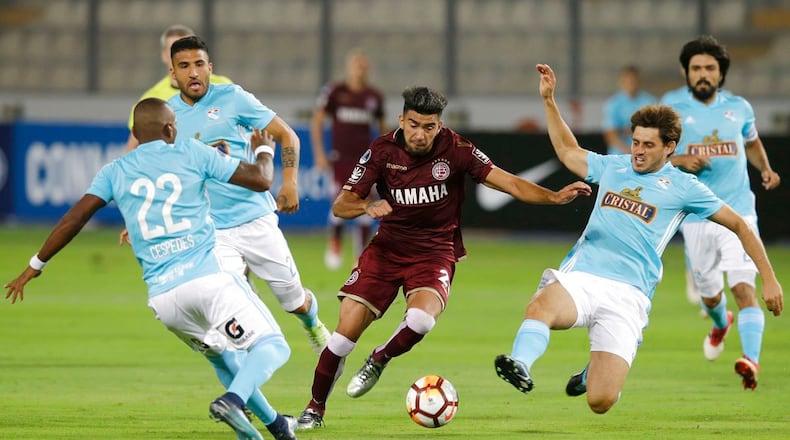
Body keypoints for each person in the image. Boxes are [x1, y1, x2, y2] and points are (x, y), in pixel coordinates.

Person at [296, 85, 593, 430]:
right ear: (401, 120)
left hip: (435, 252)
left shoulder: (456, 148)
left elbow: (507, 182)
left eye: (429, 127)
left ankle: (379, 358)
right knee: (341, 339)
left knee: (422, 320)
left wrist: (554, 197)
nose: (420, 134)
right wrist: (366, 205)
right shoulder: (381, 150)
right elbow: (341, 205)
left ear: (439, 125)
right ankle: (314, 409)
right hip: (387, 250)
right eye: (413, 124)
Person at [494, 64, 783, 414]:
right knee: (541, 307)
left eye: (648, 144)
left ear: (670, 147)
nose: (638, 151)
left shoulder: (685, 188)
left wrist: (768, 278)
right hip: (584, 275)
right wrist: (549, 100)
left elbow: (739, 225)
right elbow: (569, 152)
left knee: (600, 401)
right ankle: (521, 363)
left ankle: (593, 373)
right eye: (635, 142)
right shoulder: (615, 166)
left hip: (630, 294)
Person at [4, 98, 298, 440]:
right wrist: (263, 151)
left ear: (134, 133)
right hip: (208, 279)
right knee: (273, 347)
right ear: (171, 129)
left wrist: (34, 265)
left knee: (224, 360)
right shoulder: (190, 152)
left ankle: (276, 427)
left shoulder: (114, 171)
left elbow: (75, 218)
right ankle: (233, 401)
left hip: (165, 301)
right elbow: (261, 180)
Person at [167, 36, 332, 355]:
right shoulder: (168, 116)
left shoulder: (232, 98)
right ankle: (250, 375)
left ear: (210, 68)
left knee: (293, 299)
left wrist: (290, 183)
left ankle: (312, 323)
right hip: (211, 229)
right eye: (184, 66)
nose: (193, 73)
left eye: (199, 65)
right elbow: (164, 171)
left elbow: (287, 134)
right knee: (225, 302)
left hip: (254, 217)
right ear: (173, 74)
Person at [667, 35, 781, 389]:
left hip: (738, 213)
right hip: (698, 217)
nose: (703, 74)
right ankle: (720, 323)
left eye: (710, 68)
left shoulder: (739, 108)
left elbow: (751, 141)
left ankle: (751, 362)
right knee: (710, 295)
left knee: (744, 286)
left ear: (721, 74)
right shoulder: (670, 108)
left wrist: (764, 167)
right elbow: (649, 156)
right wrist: (680, 160)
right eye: (697, 68)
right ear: (686, 72)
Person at [310, 49, 386, 270]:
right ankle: (335, 241)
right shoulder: (335, 92)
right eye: (356, 65)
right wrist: (320, 154)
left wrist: (384, 158)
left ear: (367, 69)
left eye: (363, 66)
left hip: (365, 160)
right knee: (341, 201)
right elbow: (317, 121)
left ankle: (360, 255)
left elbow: (382, 130)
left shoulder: (374, 97)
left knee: (364, 205)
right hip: (340, 158)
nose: (359, 70)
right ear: (349, 67)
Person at [124, 24, 233, 152]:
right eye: (174, 50)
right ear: (164, 56)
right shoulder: (151, 99)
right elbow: (134, 148)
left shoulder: (224, 86)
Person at [602, 65, 656, 154]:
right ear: (621, 82)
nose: (631, 84)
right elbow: (610, 135)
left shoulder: (650, 101)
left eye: (633, 81)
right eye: (628, 81)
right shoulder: (613, 103)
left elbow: (656, 130)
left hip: (645, 154)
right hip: (620, 156)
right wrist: (630, 151)